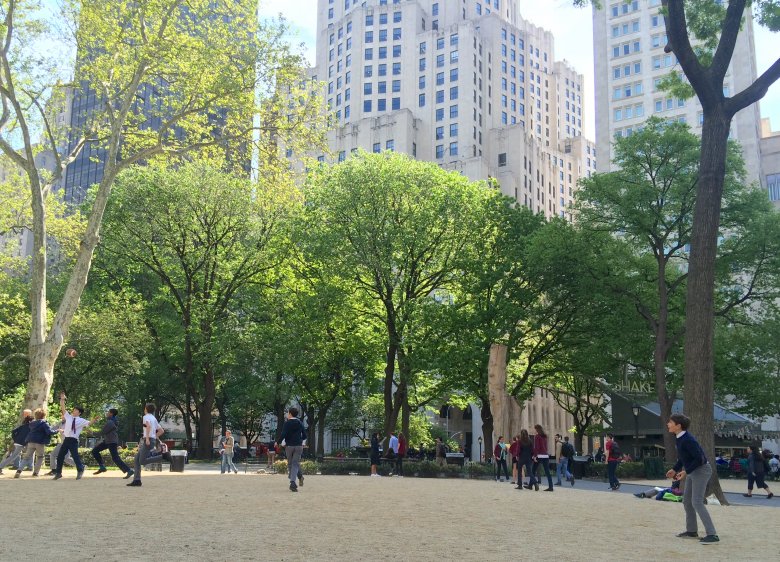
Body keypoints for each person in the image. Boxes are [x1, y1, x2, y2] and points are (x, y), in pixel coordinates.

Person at [665, 413, 719, 544]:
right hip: (693, 471)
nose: (668, 424)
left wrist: (686, 471)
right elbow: (683, 457)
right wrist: (675, 469)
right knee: (687, 501)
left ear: (678, 426)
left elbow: (700, 459)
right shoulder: (679, 438)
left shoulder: (688, 439)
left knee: (696, 502)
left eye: (670, 422)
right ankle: (691, 531)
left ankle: (712, 534)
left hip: (701, 471)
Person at [53, 393, 92, 480]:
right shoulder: (69, 417)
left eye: (75, 410)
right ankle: (58, 473)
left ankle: (80, 469)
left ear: (79, 413)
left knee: (75, 456)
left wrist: (94, 420)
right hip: (66, 439)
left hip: (73, 440)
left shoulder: (81, 420)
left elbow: (89, 423)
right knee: (60, 456)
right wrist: (62, 399)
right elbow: (63, 408)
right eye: (73, 409)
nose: (73, 411)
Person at [91, 408, 133, 479]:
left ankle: (129, 470)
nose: (107, 413)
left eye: (108, 412)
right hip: (108, 441)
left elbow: (103, 432)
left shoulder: (110, 422)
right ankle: (102, 467)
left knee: (115, 458)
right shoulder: (112, 421)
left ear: (111, 414)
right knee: (95, 451)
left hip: (111, 442)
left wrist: (92, 433)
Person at [14, 408, 56, 478]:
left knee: (26, 457)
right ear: (44, 415)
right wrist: (57, 430)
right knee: (40, 457)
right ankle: (35, 473)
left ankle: (19, 471)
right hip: (39, 442)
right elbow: (49, 432)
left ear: (36, 415)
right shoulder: (44, 423)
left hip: (31, 441)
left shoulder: (32, 423)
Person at [126, 402, 161, 487]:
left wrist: (148, 438)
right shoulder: (153, 418)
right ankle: (137, 480)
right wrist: (154, 437)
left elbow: (148, 426)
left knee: (142, 461)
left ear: (146, 409)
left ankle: (163, 456)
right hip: (150, 439)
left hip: (147, 440)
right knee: (137, 460)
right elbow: (161, 431)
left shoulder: (146, 417)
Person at [276, 407, 306, 492]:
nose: (286, 414)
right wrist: (301, 441)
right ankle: (299, 476)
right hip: (299, 446)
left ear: (290, 414)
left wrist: (278, 442)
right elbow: (304, 435)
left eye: (287, 413)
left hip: (289, 446)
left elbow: (283, 434)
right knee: (295, 463)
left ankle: (293, 483)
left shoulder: (287, 423)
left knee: (291, 464)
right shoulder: (300, 423)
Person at [0, 409, 33, 475]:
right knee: (13, 456)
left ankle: (30, 466)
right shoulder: (28, 424)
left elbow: (14, 431)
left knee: (30, 452)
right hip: (21, 442)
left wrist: (16, 439)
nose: (24, 415)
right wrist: (16, 439)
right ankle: (0, 467)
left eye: (25, 413)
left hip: (22, 442)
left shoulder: (26, 423)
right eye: (24, 413)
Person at [532, 424, 554, 491]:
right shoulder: (544, 436)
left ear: (536, 429)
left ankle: (531, 485)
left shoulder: (537, 436)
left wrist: (535, 456)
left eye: (534, 429)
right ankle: (551, 487)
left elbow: (537, 447)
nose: (534, 430)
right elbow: (546, 447)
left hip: (539, 455)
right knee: (547, 472)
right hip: (545, 455)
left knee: (532, 471)